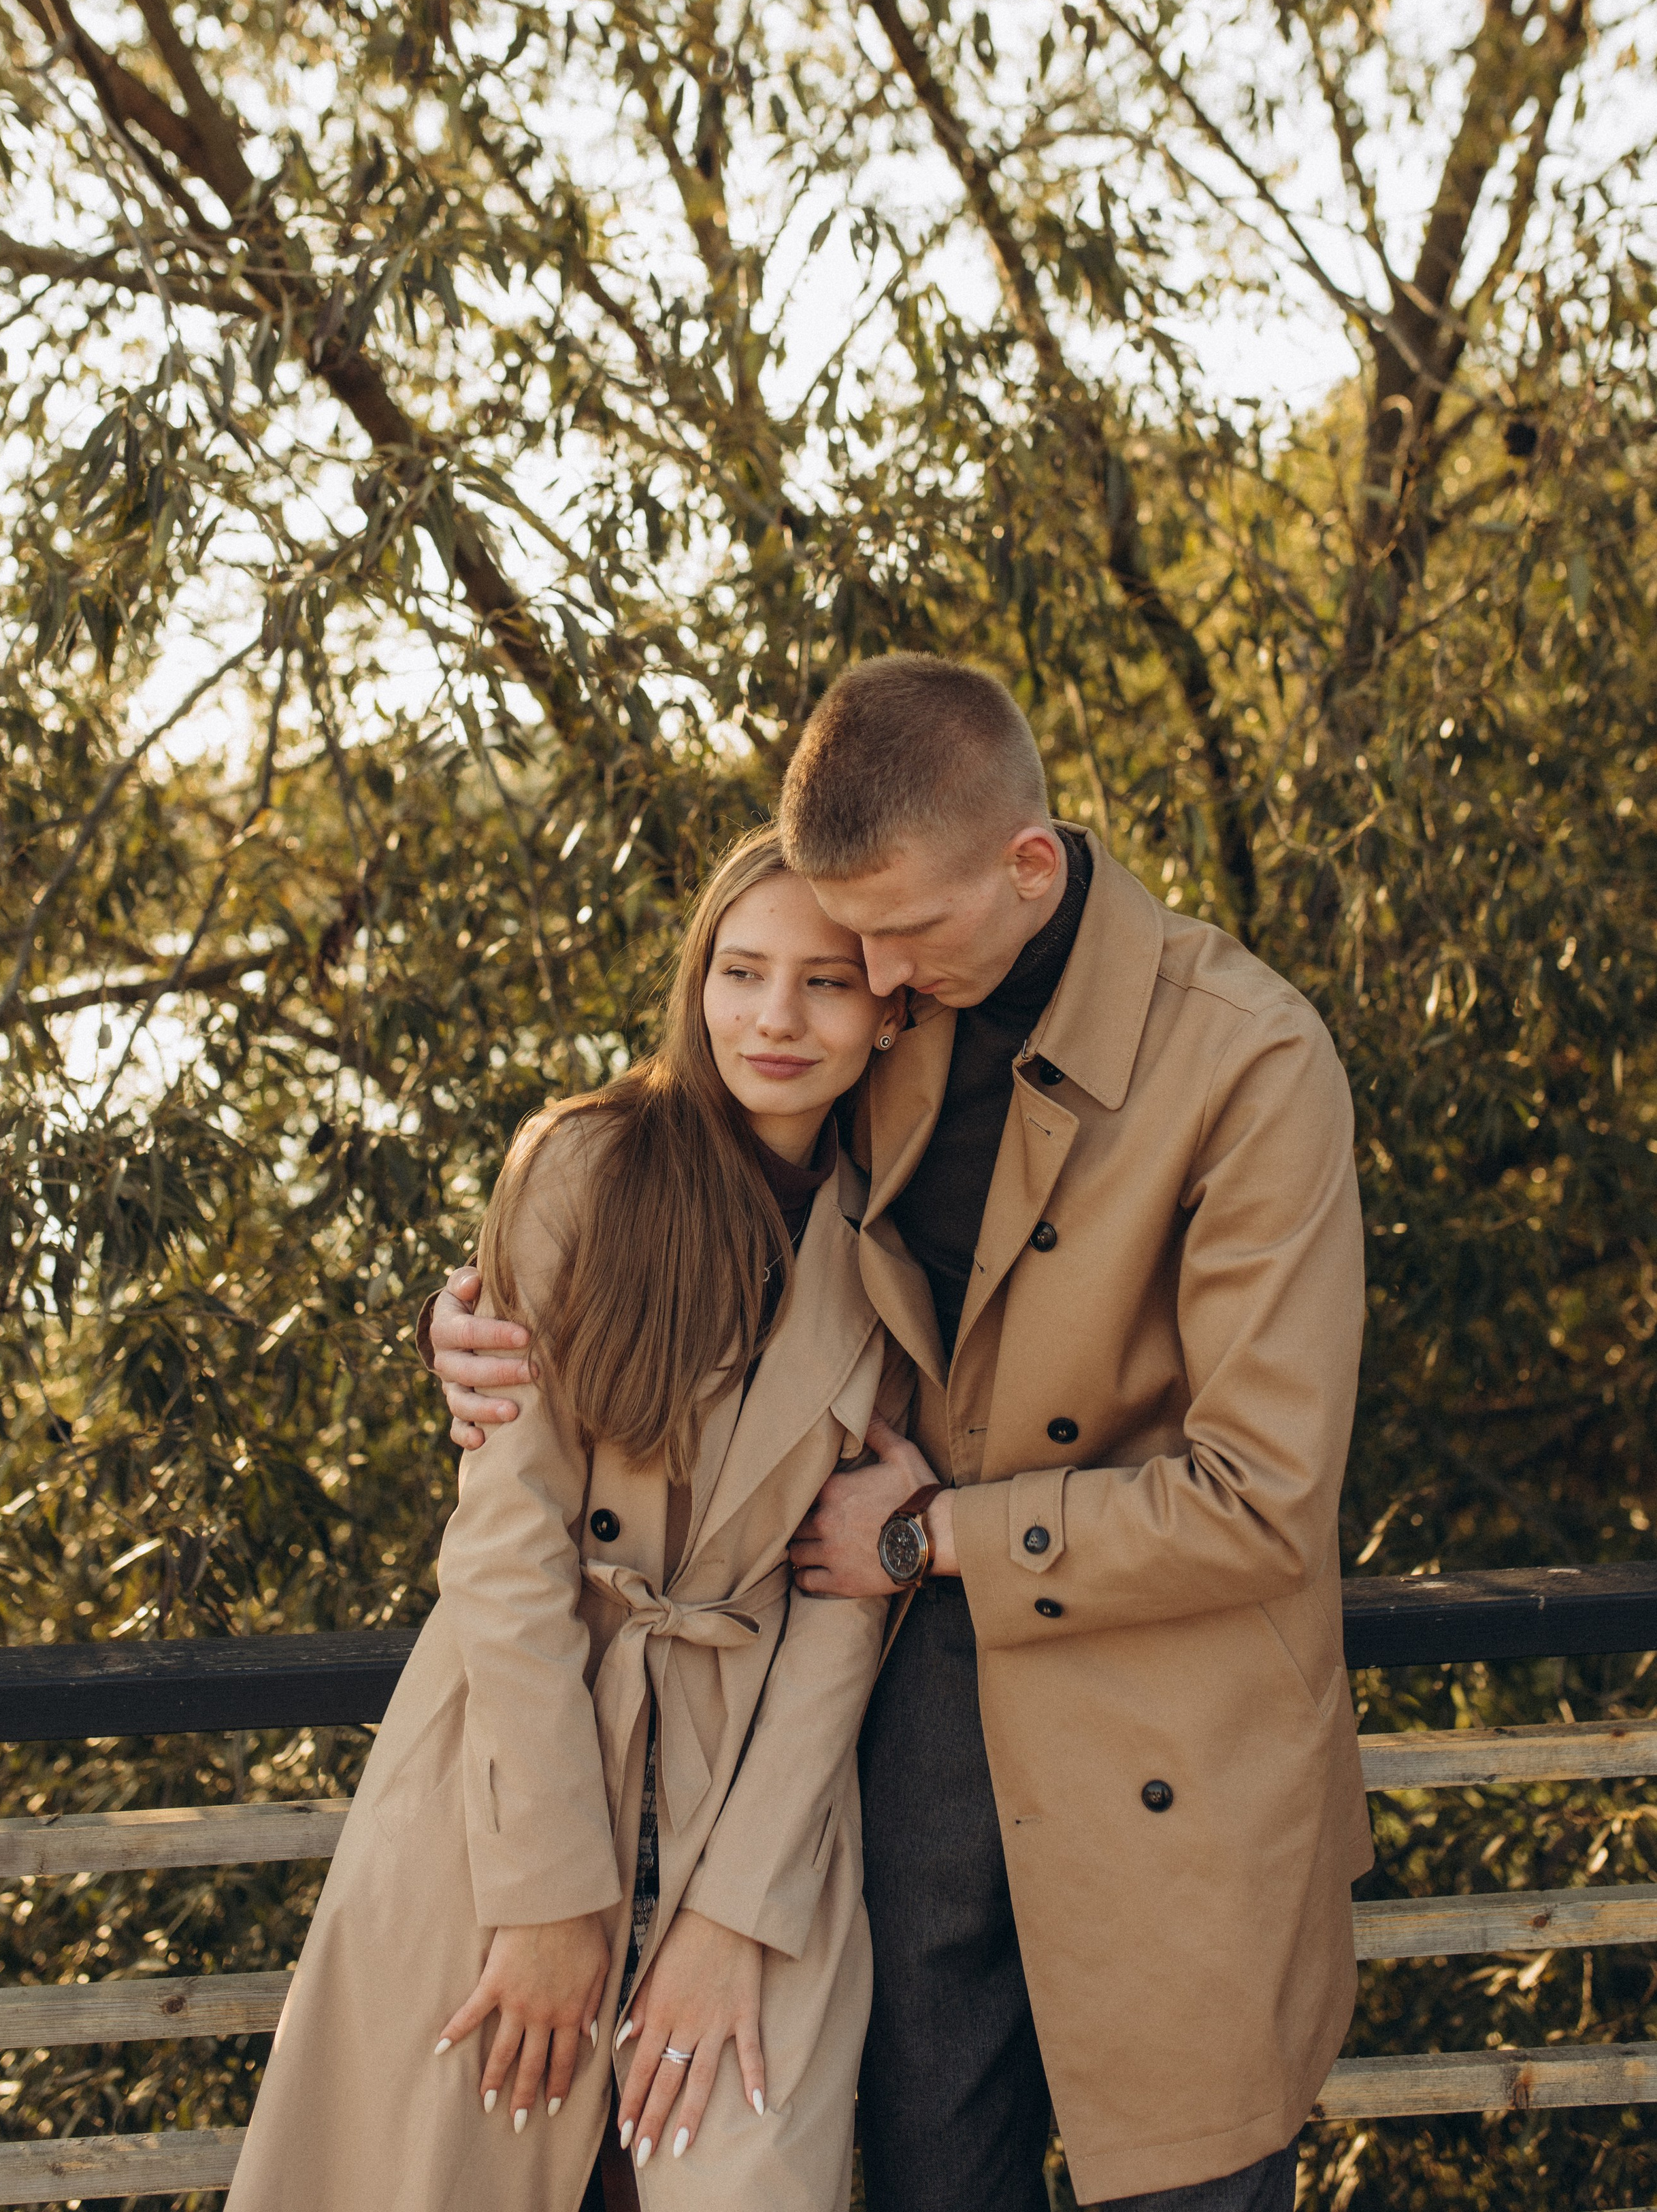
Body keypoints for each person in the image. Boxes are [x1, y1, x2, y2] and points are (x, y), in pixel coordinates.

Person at [425, 655, 1371, 2212]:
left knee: (1185, 2179)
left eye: (895, 937)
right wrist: (470, 1328)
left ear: (1029, 866)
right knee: (934, 2174)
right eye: (845, 936)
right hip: (914, 1715)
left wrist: (936, 1534)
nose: (866, 972)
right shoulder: (896, 994)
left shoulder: (1251, 1064)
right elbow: (692, 1190)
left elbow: (1263, 1494)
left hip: (1174, 1734)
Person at [230, 827, 910, 2212]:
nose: (774, 1019)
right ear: (695, 980)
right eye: (740, 971)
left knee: (742, 2171)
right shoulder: (585, 1171)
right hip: (517, 1776)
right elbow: (506, 1537)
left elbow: (844, 1606)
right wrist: (548, 1896)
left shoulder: (901, 1239)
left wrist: (733, 1919)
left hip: (753, 1807)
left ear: (889, 1003)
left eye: (826, 983)